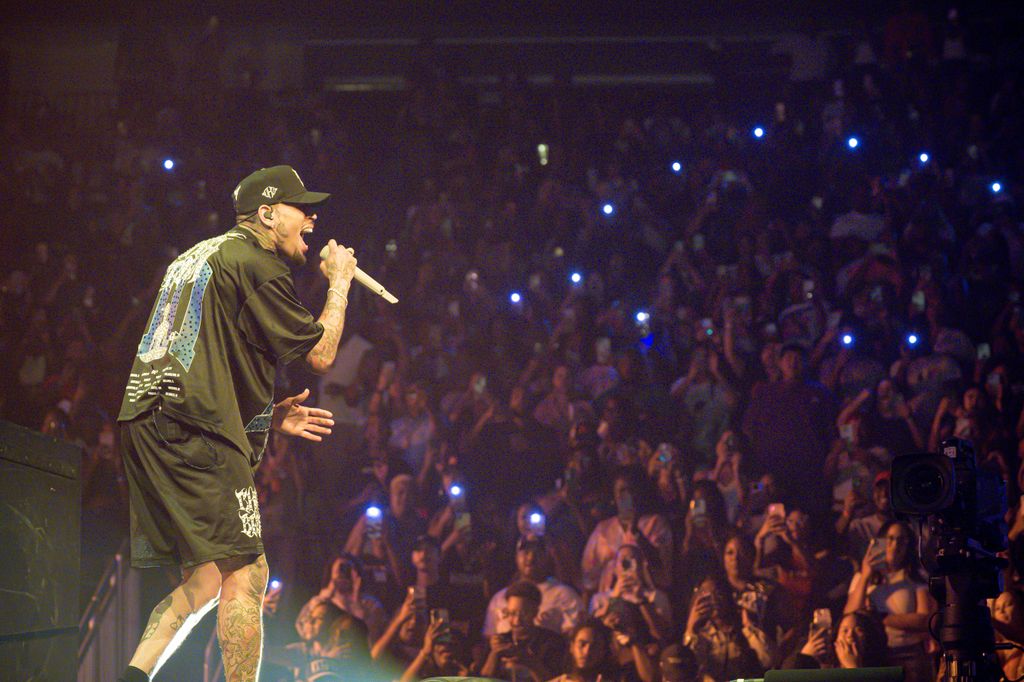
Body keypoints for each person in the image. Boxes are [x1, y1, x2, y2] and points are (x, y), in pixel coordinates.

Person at [116, 165, 358, 682]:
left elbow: (203, 356)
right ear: (268, 214)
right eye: (301, 208)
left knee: (205, 577)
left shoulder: (193, 257)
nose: (312, 218)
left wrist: (268, 416)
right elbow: (321, 354)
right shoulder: (256, 262)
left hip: (144, 422)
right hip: (196, 430)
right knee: (247, 572)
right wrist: (338, 283)